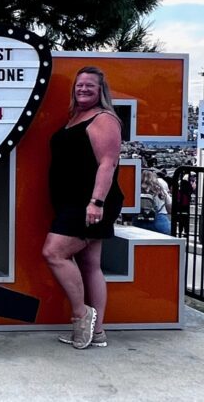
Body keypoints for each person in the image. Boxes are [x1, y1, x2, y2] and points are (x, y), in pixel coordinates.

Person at [42, 66, 124, 349]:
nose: (84, 89)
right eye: (80, 85)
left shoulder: (105, 119)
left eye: (91, 85)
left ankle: (82, 313)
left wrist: (96, 202)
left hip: (88, 203)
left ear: (102, 90)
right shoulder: (76, 116)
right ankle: (96, 332)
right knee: (90, 265)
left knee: (54, 252)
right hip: (73, 201)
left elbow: (108, 163)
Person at [134, 169, 171, 235]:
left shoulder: (136, 190)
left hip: (139, 221)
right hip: (160, 221)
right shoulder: (161, 190)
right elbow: (170, 209)